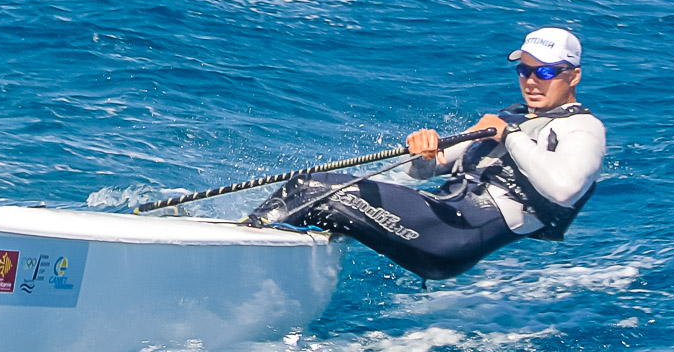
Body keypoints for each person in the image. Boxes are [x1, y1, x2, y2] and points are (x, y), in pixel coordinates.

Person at [249, 27, 606, 281]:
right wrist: (424, 152)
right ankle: (262, 248)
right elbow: (422, 172)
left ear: (573, 76)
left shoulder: (583, 129)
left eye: (544, 71)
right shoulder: (512, 117)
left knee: (316, 190)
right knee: (307, 188)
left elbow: (562, 189)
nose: (531, 80)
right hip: (441, 220)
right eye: (524, 70)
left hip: (453, 238)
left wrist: (509, 135)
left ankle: (247, 244)